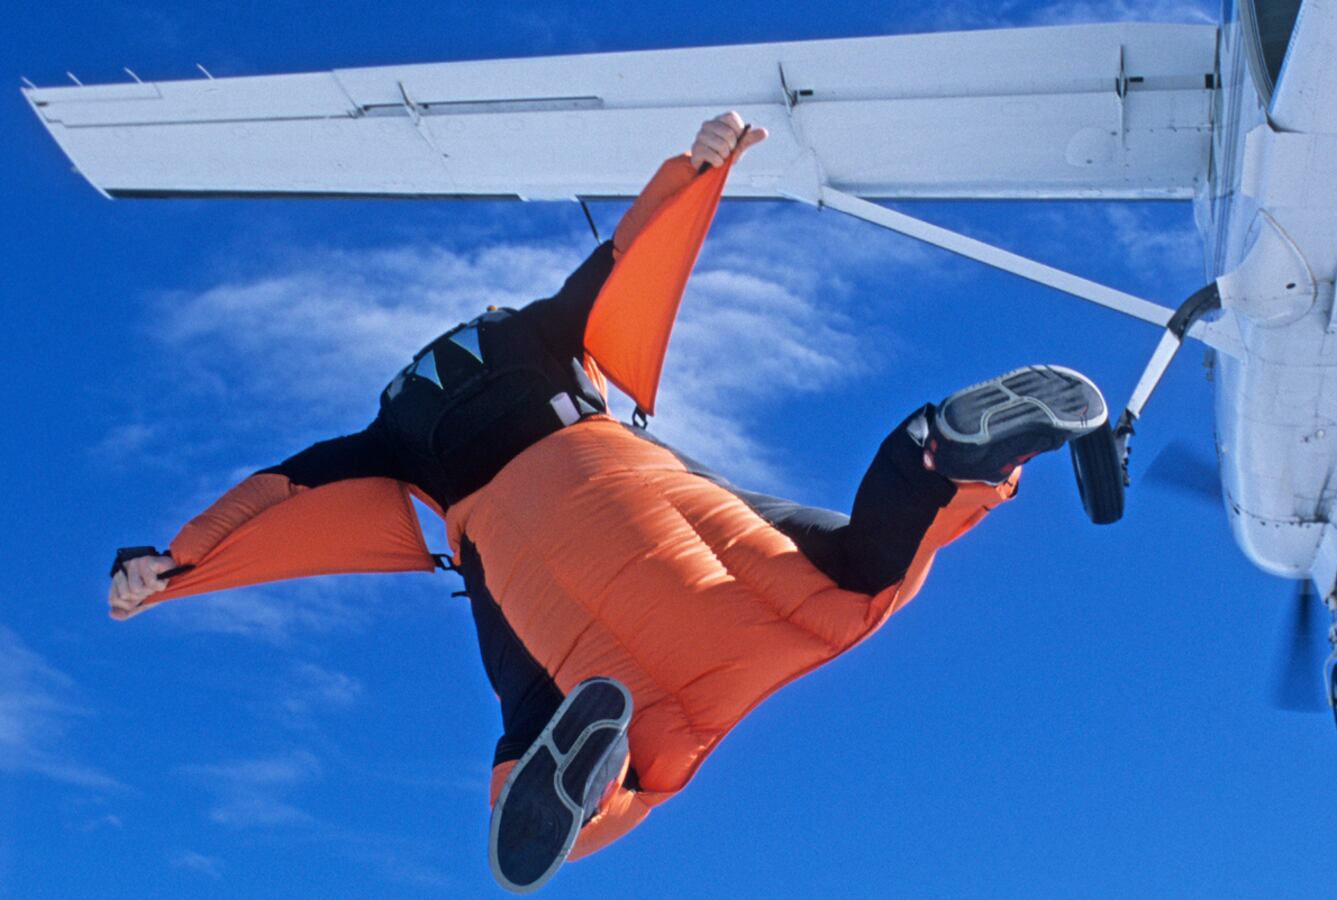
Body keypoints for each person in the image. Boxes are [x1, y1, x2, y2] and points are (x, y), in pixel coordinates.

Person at [106, 112, 1110, 893]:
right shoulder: (535, 332)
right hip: (640, 491)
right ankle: (935, 458)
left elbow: (277, 494)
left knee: (613, 718)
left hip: (520, 549)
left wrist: (168, 565)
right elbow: (625, 258)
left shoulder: (380, 436)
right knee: (844, 576)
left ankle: (568, 787)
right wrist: (699, 164)